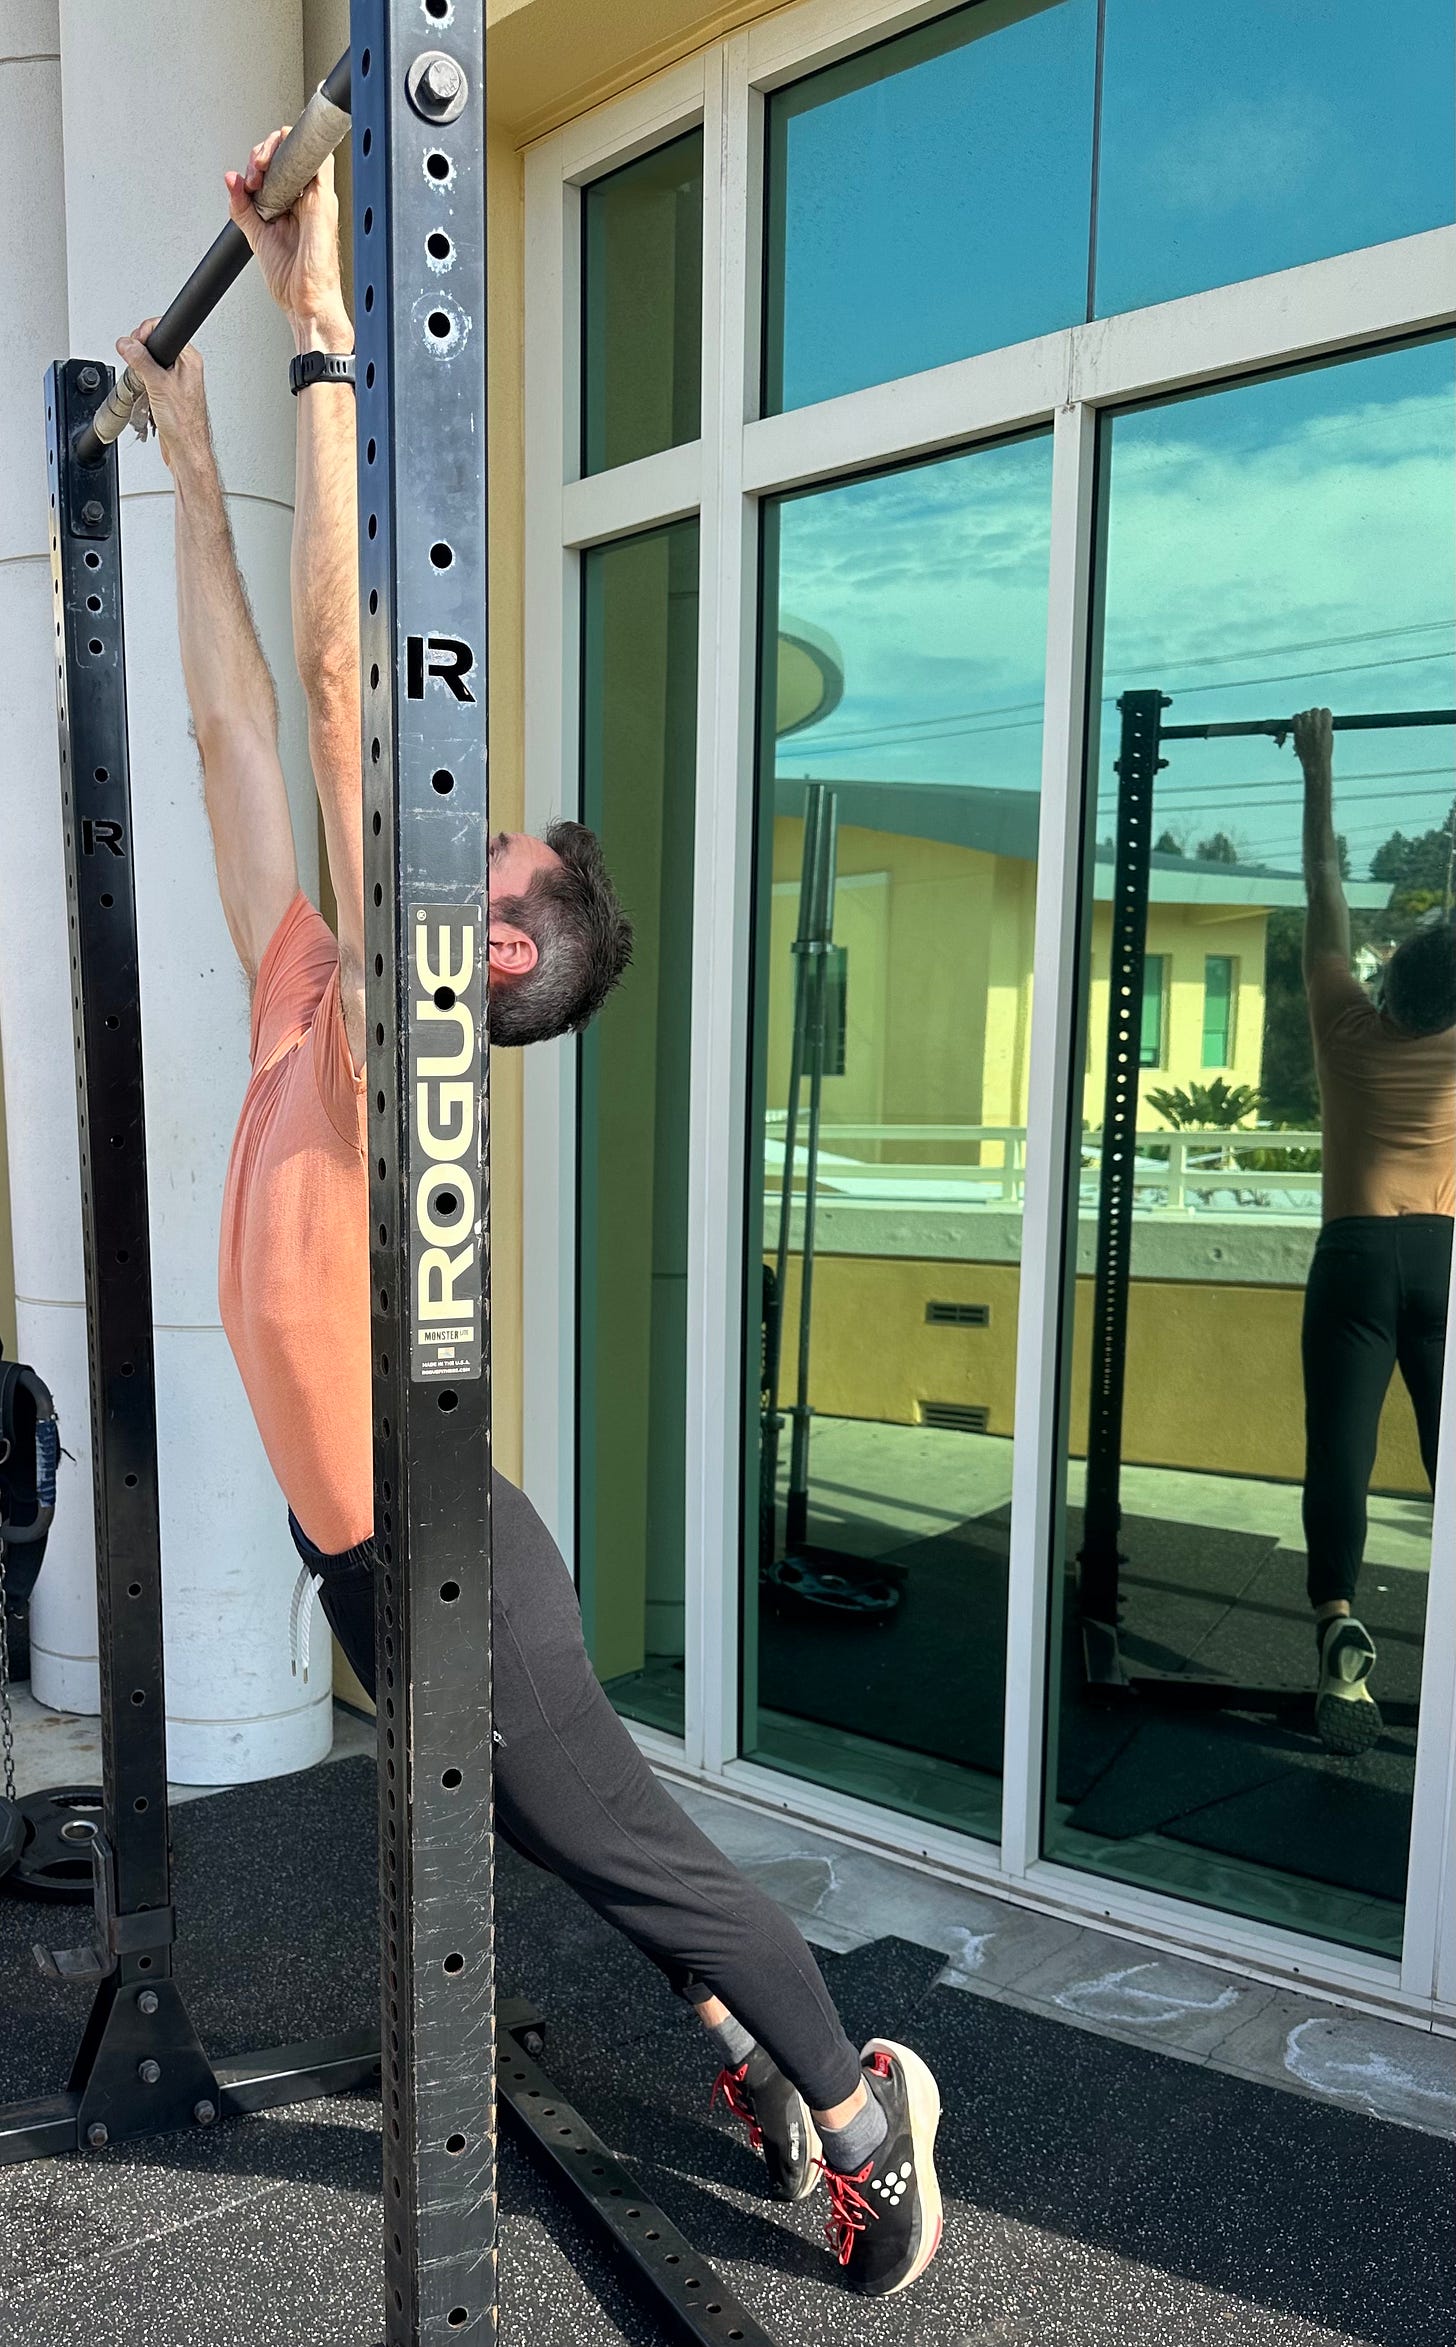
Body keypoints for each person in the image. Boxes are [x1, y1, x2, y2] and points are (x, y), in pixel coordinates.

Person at [113, 129, 942, 2299]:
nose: (431, 860)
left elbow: (325, 710)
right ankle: (760, 2064)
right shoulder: (318, 993)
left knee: (643, 1863)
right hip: (367, 1571)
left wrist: (316, 329)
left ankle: (856, 2108)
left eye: (465, 876)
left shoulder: (417, 1065)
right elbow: (232, 743)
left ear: (488, 963)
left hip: (449, 1566)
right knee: (564, 1845)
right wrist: (195, 475)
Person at [1293, 707, 1455, 1753]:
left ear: (1389, 974)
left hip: (1354, 1252)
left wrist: (1321, 762)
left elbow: (1324, 880)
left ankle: (1336, 1618)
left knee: (1338, 1459)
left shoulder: (1341, 1014)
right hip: (1444, 1254)